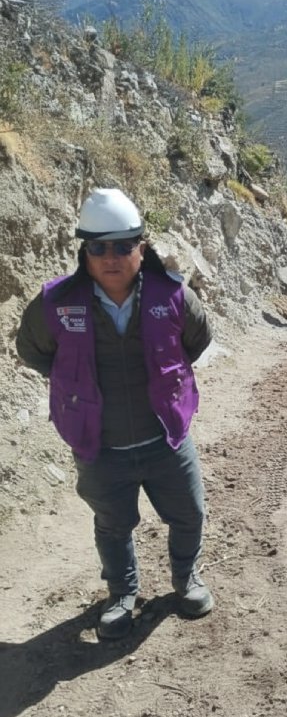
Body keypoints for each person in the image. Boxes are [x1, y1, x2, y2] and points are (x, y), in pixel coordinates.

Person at [15, 188, 214, 640]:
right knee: (112, 525)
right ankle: (122, 594)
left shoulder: (173, 296)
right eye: (98, 247)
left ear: (141, 248)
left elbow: (196, 341)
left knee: (188, 514)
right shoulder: (56, 303)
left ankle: (187, 579)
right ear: (84, 252)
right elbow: (33, 350)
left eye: (123, 246)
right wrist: (76, 384)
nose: (111, 257)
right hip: (99, 446)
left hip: (166, 439)